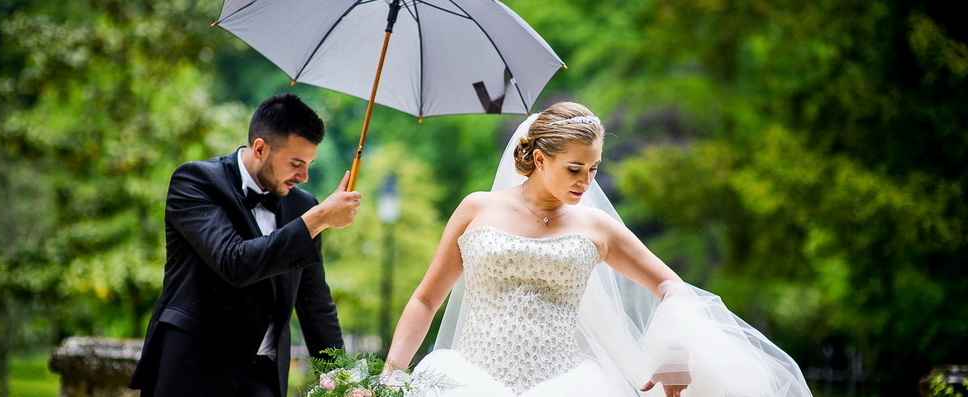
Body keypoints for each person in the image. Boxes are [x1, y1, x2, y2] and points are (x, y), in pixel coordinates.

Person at [385, 102, 813, 396]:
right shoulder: (477, 208)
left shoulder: (598, 227)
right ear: (538, 159)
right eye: (574, 168)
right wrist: (391, 374)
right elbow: (425, 299)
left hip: (565, 386)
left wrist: (674, 352)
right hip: (467, 382)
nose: (585, 181)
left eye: (593, 169)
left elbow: (671, 285)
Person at [129, 93, 362, 397]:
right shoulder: (195, 182)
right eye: (296, 163)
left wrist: (341, 379)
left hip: (262, 377)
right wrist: (316, 220)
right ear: (261, 148)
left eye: (309, 164)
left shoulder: (302, 207)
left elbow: (315, 301)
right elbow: (234, 262)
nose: (304, 176)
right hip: (192, 371)